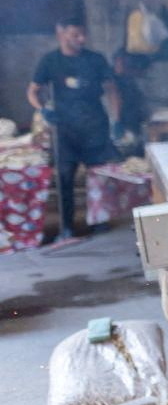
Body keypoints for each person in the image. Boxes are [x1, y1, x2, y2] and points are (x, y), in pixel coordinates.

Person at [26, 14, 120, 241]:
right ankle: (66, 226)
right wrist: (43, 109)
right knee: (65, 177)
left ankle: (99, 221)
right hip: (64, 129)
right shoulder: (50, 61)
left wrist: (116, 121)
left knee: (98, 177)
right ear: (61, 33)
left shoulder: (96, 59)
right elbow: (32, 91)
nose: (81, 39)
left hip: (94, 125)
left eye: (83, 34)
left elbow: (112, 90)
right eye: (75, 34)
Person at [110, 49, 150, 157]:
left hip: (133, 120)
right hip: (120, 121)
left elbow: (139, 101)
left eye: (125, 63)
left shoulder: (129, 80)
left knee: (134, 147)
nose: (122, 66)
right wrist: (117, 120)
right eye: (119, 62)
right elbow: (115, 98)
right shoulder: (111, 79)